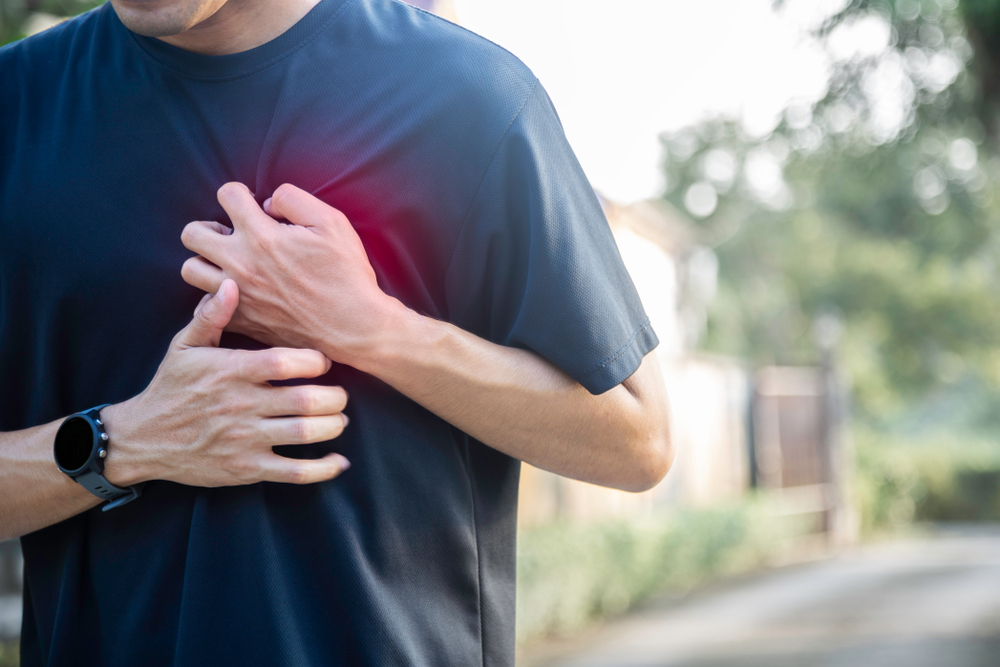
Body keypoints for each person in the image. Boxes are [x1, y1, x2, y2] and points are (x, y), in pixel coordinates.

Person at [0, 0, 673, 665]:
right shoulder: (17, 106)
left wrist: (375, 331)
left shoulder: (467, 95)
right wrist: (121, 442)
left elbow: (635, 439)